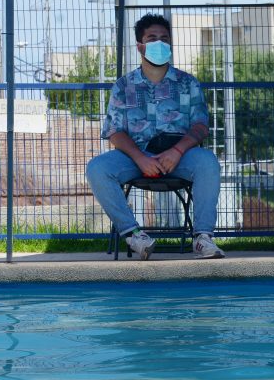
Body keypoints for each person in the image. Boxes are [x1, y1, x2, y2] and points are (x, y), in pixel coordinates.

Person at [85, 13, 224, 259]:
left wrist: (178, 151)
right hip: (136, 156)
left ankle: (203, 238)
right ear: (140, 45)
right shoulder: (123, 86)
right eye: (152, 38)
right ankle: (134, 236)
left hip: (180, 156)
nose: (159, 43)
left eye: (164, 38)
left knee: (208, 162)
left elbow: (201, 126)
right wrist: (140, 158)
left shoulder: (188, 83)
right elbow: (114, 131)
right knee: (97, 168)